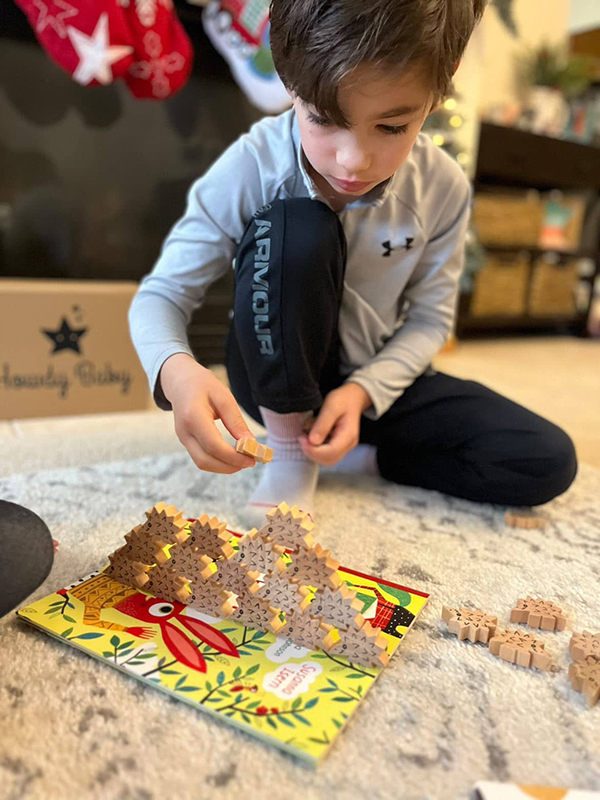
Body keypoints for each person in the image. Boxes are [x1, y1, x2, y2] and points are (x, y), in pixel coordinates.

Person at [129, 0, 577, 529]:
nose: (353, 160)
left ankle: (361, 456)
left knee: (543, 459)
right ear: (289, 80)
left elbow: (431, 320)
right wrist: (175, 372)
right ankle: (291, 447)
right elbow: (162, 294)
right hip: (275, 371)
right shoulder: (253, 164)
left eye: (390, 127)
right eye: (323, 119)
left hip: (372, 383)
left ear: (439, 88)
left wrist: (365, 390)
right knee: (300, 226)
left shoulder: (442, 188)